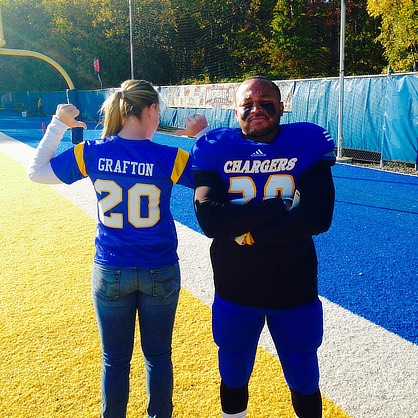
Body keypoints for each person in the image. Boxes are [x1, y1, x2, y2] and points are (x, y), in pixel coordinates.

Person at [28, 79, 194, 418]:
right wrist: (200, 140)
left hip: (111, 267)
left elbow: (37, 173)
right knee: (158, 357)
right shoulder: (169, 156)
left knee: (115, 360)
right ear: (149, 111)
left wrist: (58, 124)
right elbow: (216, 179)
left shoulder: (92, 151)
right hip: (159, 266)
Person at [183, 76, 336, 418]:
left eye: (266, 101)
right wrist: (281, 205)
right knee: (234, 376)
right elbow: (212, 221)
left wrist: (250, 233)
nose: (257, 108)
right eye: (247, 103)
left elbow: (318, 217)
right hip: (236, 289)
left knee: (304, 379)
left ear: (281, 107)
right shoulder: (215, 148)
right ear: (236, 111)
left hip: (294, 290)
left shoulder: (305, 143)